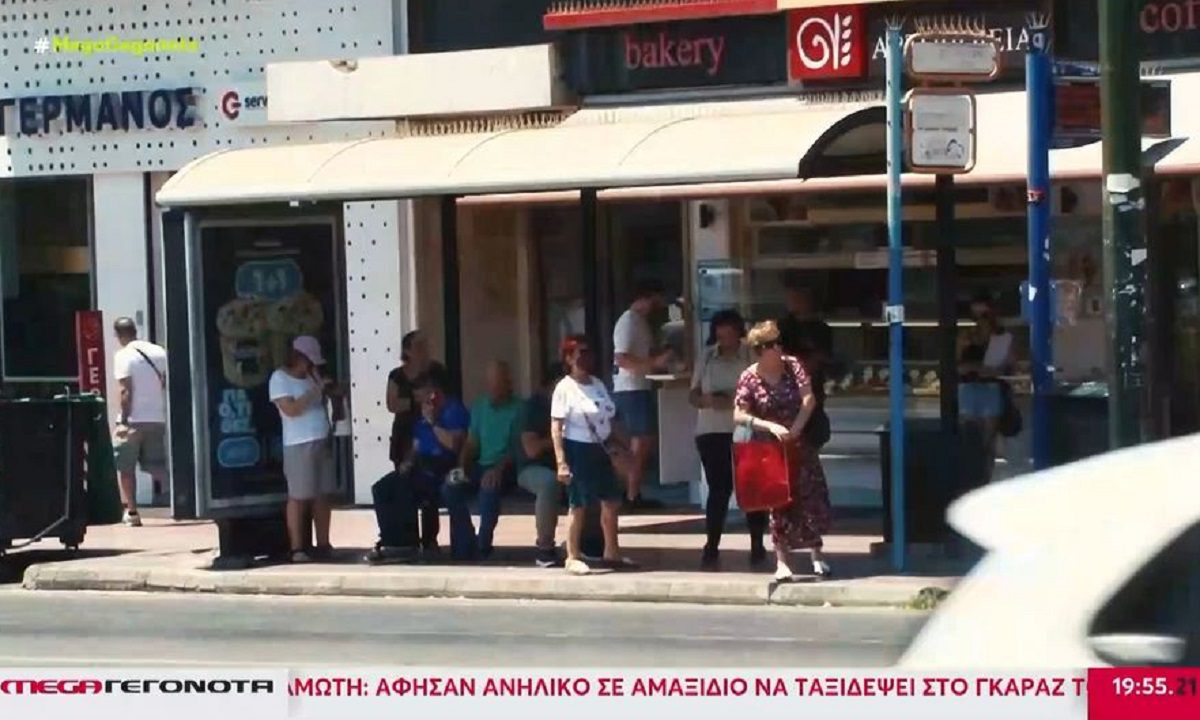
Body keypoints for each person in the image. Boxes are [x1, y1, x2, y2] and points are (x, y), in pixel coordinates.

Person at [733, 320, 833, 582]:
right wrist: (769, 426)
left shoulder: (792, 365)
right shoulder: (749, 377)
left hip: (800, 443)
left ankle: (817, 555)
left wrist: (796, 428)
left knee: (810, 498)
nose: (777, 348)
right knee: (778, 502)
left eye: (778, 342)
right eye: (771, 345)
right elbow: (739, 414)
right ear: (759, 350)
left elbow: (809, 399)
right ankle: (783, 562)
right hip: (771, 448)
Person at [551, 335, 635, 576]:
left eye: (589, 352)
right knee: (578, 504)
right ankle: (572, 556)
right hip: (578, 448)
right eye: (581, 353)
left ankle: (612, 551)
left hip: (602, 448)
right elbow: (556, 426)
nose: (587, 358)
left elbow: (609, 418)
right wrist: (561, 461)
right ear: (569, 358)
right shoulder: (564, 388)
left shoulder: (597, 384)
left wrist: (624, 446)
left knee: (610, 501)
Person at [367, 377, 474, 563]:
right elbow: (416, 446)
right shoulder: (422, 415)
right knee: (382, 488)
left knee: (406, 487)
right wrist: (407, 462)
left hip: (443, 465)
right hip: (420, 464)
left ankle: (406, 544)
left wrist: (433, 422)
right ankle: (392, 539)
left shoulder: (452, 410)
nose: (419, 402)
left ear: (433, 393)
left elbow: (455, 445)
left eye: (421, 396)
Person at [689, 310, 766, 570]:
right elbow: (693, 394)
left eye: (730, 335)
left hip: (746, 428)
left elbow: (762, 389)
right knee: (719, 489)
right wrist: (706, 400)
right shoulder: (707, 356)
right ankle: (711, 545)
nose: (726, 341)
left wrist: (736, 399)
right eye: (721, 336)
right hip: (712, 429)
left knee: (752, 488)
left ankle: (757, 544)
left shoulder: (750, 355)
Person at [268, 336, 338, 563]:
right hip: (298, 443)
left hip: (321, 437)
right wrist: (315, 391)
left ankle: (323, 543)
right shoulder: (279, 378)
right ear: (297, 357)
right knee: (299, 496)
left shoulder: (311, 376)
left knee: (322, 494)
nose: (310, 365)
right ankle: (297, 547)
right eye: (308, 360)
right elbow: (291, 410)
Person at [612, 279, 672, 511]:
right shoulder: (628, 321)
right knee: (640, 443)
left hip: (639, 387)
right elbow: (622, 358)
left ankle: (633, 491)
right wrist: (653, 363)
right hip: (631, 389)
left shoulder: (640, 322)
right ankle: (631, 494)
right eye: (654, 301)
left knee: (643, 443)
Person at [387, 330, 449, 551]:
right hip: (403, 435)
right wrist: (416, 399)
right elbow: (392, 404)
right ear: (408, 350)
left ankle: (430, 539)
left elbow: (443, 397)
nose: (424, 350)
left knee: (430, 483)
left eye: (425, 345)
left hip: (430, 432)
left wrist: (428, 399)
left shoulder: (436, 371)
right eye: (419, 346)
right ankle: (409, 538)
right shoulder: (397, 375)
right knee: (405, 484)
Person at [459, 360, 523, 560]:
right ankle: (466, 538)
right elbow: (471, 443)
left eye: (497, 384)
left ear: (508, 383)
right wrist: (461, 466)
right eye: (490, 384)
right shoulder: (480, 406)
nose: (492, 389)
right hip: (480, 465)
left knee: (488, 488)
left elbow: (518, 447)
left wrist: (498, 469)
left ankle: (483, 545)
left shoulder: (520, 408)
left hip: (506, 467)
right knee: (449, 487)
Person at [111, 317, 168, 527]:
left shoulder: (123, 355)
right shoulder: (159, 352)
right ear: (135, 331)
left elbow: (125, 391)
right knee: (157, 466)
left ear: (118, 335)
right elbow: (164, 382)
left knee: (126, 468)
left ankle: (133, 512)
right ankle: (178, 500)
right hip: (156, 418)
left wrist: (123, 419)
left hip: (133, 420)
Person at [517, 363, 566, 568]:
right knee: (549, 483)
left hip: (567, 465)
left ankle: (589, 543)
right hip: (532, 468)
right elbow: (531, 449)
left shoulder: (574, 405)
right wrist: (558, 437)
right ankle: (545, 549)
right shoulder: (534, 407)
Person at [777, 282, 833, 400]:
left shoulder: (822, 329)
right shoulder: (781, 327)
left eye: (799, 298)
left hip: (814, 387)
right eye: (792, 298)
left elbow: (824, 356)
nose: (795, 302)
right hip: (787, 388)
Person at [959, 344, 1004, 483]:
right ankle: (984, 478)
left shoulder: (962, 387)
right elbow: (991, 422)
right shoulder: (992, 385)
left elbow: (964, 418)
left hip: (968, 441)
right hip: (983, 437)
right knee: (987, 448)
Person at [968, 292, 1016, 375]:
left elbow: (1012, 368)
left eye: (984, 316)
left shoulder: (1006, 339)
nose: (980, 322)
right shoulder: (970, 342)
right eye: (976, 318)